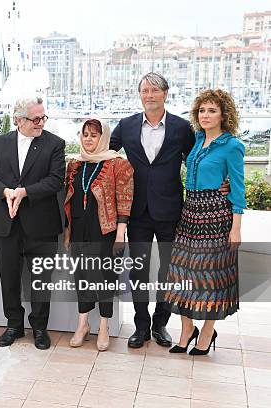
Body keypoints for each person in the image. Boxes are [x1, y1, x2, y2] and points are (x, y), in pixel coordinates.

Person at [110, 72, 195, 348]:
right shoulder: (126, 125)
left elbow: (196, 163)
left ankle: (160, 324)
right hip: (137, 211)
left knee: (168, 271)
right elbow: (107, 155)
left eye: (155, 90)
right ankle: (141, 325)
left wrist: (223, 182)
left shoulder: (182, 128)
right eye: (145, 90)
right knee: (139, 270)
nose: (149, 95)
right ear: (140, 95)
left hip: (171, 210)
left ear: (165, 94)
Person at [0, 96, 65, 350]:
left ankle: (40, 328)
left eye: (43, 117)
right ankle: (13, 325)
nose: (41, 123)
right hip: (5, 225)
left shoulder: (55, 144)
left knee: (41, 280)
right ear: (18, 120)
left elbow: (55, 180)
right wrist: (6, 192)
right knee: (9, 278)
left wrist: (24, 192)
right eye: (35, 118)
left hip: (42, 224)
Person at [165, 89, 245, 355]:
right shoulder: (197, 140)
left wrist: (236, 228)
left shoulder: (232, 145)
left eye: (212, 110)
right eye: (202, 110)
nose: (206, 115)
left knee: (213, 275)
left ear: (224, 114)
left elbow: (237, 188)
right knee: (180, 273)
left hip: (216, 215)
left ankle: (208, 331)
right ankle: (188, 327)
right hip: (190, 213)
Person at [64, 119, 134, 351]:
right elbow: (69, 201)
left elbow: (125, 201)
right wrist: (68, 233)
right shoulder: (74, 165)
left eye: (94, 135)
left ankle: (103, 326)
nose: (88, 139)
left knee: (105, 278)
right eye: (85, 134)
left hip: (105, 230)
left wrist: (120, 236)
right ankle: (82, 324)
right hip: (79, 231)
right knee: (82, 277)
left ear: (103, 137)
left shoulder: (117, 164)